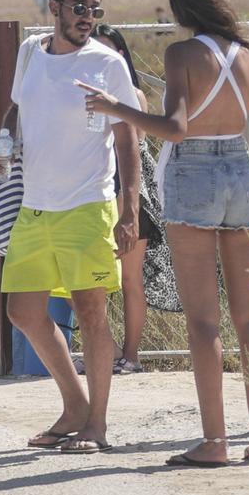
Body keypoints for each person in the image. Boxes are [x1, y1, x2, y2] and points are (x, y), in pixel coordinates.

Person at [80, 0, 249, 468]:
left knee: (203, 321)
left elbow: (174, 130)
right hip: (244, 176)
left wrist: (118, 109)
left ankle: (214, 443)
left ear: (180, 10)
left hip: (193, 177)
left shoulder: (181, 56)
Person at [0, 0, 141, 455]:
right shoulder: (32, 52)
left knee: (91, 313)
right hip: (34, 205)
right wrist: (4, 143)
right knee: (23, 311)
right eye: (79, 7)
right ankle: (74, 406)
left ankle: (96, 426)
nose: (88, 17)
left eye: (96, 8)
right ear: (54, 8)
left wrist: (130, 207)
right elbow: (17, 107)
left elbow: (126, 136)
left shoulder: (108, 62)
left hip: (87, 205)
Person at [93, 24, 165, 374]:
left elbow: (132, 148)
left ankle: (131, 355)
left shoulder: (132, 96)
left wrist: (128, 205)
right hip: (99, 191)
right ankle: (110, 350)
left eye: (111, 51)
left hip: (129, 192)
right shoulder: (90, 93)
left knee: (129, 280)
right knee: (95, 277)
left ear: (121, 56)